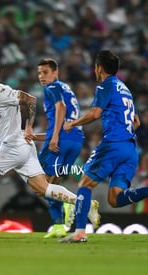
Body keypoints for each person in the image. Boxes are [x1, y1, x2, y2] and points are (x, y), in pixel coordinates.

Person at [0, 58, 100, 235]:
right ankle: (84, 204)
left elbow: (30, 100)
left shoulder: (0, 91)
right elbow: (5, 124)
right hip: (23, 148)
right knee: (44, 189)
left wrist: (29, 125)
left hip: (13, 148)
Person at [60, 50, 148, 243]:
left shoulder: (105, 86)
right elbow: (136, 121)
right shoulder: (125, 88)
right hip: (130, 148)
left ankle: (79, 232)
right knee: (115, 198)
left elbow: (94, 113)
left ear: (99, 68)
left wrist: (72, 123)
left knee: (85, 183)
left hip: (113, 144)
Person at [34, 58, 98, 239]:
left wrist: (54, 137)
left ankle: (74, 203)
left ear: (55, 73)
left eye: (45, 72)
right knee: (52, 184)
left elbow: (60, 108)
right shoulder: (65, 88)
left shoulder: (52, 87)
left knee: (39, 183)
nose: (41, 76)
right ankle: (58, 226)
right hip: (75, 141)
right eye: (39, 73)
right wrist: (40, 137)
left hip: (62, 139)